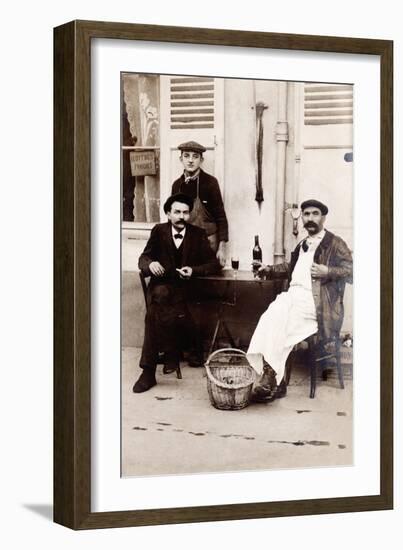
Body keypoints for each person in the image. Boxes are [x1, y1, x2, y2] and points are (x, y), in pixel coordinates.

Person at [246, 199, 353, 402]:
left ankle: (274, 381)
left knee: (282, 324)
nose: (310, 218)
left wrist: (328, 271)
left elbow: (353, 272)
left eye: (315, 214)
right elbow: (290, 268)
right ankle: (274, 379)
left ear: (323, 217)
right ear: (302, 217)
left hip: (318, 305)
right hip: (293, 297)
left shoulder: (335, 243)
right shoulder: (303, 244)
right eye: (306, 214)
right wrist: (267, 269)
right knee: (271, 315)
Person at [133, 193, 221, 393]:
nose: (182, 216)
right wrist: (151, 263)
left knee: (155, 313)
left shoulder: (197, 234)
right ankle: (154, 367)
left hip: (186, 292)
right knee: (158, 302)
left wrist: (194, 270)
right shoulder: (158, 231)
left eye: (186, 212)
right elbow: (143, 258)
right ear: (168, 214)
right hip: (161, 288)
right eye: (177, 212)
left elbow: (213, 263)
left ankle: (161, 361)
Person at [172, 141, 228, 267]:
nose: (190, 160)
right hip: (185, 244)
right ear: (181, 159)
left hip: (208, 244)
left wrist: (222, 247)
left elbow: (221, 216)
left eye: (195, 156)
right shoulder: (177, 185)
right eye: (186, 156)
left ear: (201, 160)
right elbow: (173, 220)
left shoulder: (210, 183)